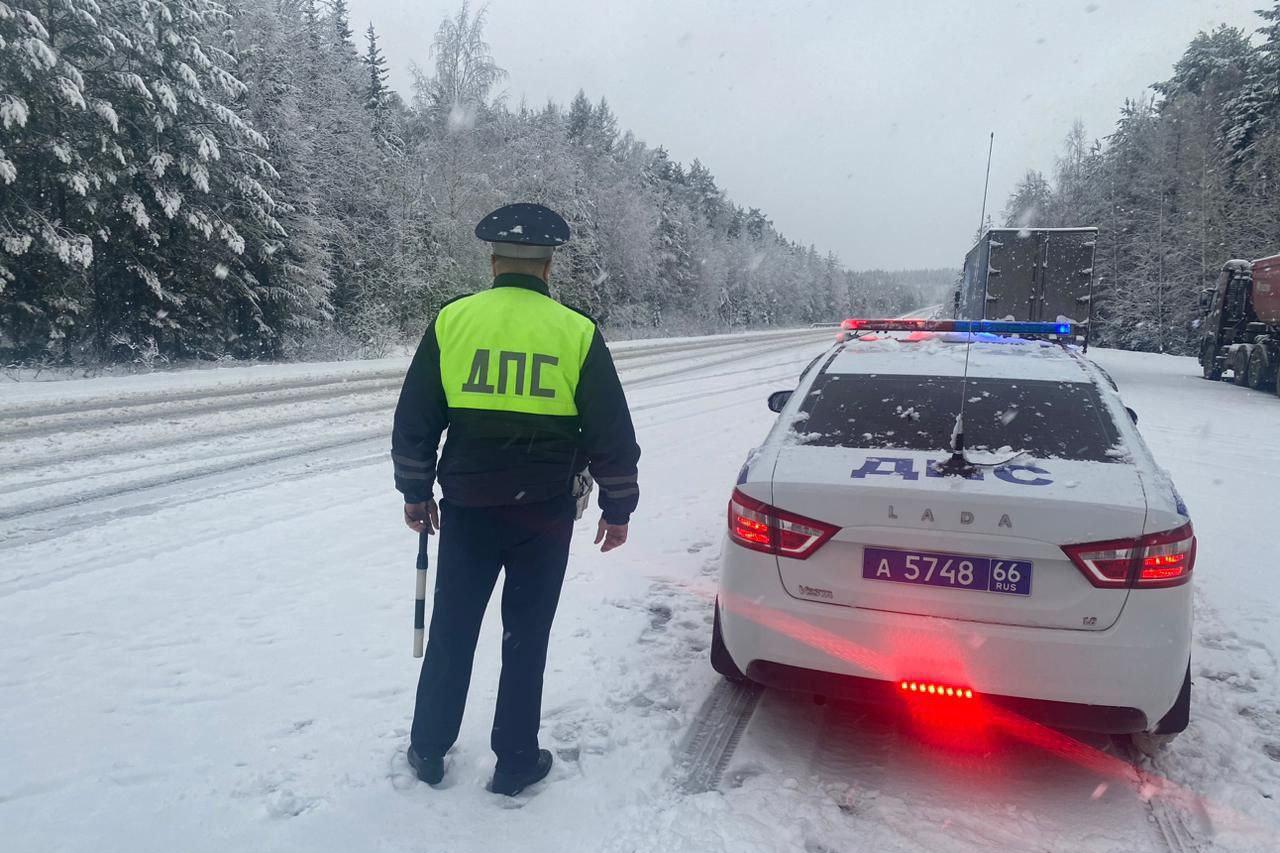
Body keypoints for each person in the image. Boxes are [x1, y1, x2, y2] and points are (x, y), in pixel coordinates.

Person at [391, 203, 641, 796]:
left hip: (469, 509)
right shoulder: (576, 332)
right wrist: (618, 506)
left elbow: (416, 418)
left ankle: (428, 749)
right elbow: (612, 431)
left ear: (494, 260)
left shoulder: (453, 321)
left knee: (452, 630)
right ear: (549, 267)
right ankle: (515, 761)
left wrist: (415, 491)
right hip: (545, 513)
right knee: (526, 635)